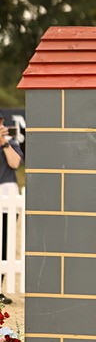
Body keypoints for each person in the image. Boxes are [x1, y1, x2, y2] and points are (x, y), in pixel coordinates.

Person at [0, 119, 22, 304]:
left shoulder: (12, 142)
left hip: (7, 194)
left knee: (5, 243)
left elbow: (15, 163)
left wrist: (4, 143)